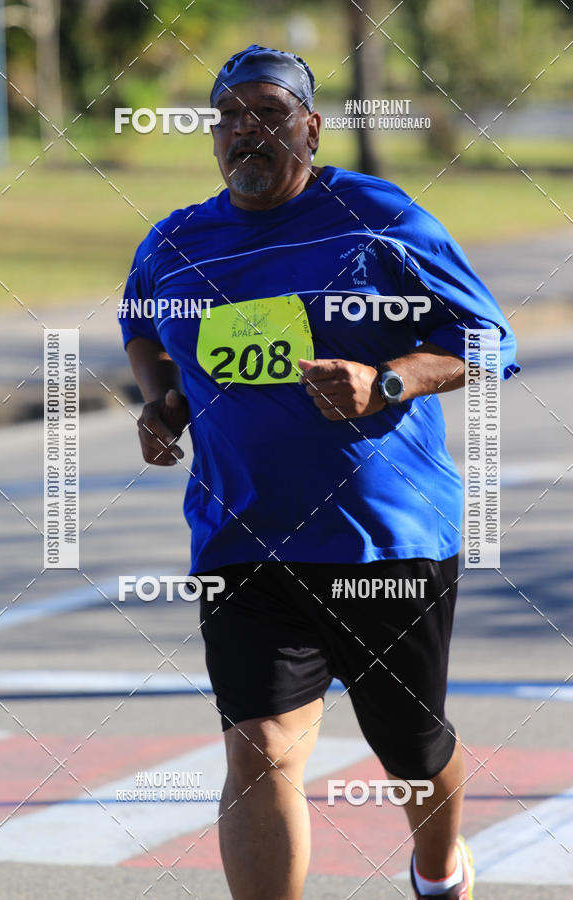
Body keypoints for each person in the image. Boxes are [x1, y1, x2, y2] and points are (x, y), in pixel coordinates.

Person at [119, 44, 518, 900]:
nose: (245, 132)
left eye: (267, 112)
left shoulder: (377, 217)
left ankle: (440, 866)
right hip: (245, 539)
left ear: (311, 126)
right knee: (258, 750)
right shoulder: (177, 242)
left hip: (386, 540)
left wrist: (390, 381)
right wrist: (161, 402)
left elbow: (490, 340)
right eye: (228, 115)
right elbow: (144, 325)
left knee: (411, 752)